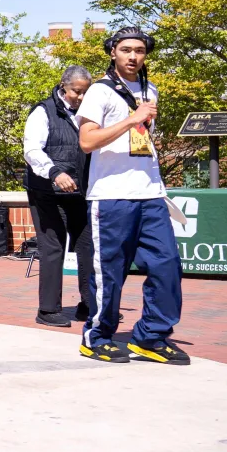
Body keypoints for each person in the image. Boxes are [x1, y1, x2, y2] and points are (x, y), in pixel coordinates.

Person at [75, 26, 188, 365]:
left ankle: (151, 337)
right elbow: (87, 141)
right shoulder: (100, 91)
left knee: (167, 265)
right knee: (110, 272)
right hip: (112, 196)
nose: (133, 56)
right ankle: (97, 337)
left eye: (139, 50)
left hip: (150, 194)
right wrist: (132, 119)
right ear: (113, 52)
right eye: (126, 49)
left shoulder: (149, 88)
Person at [24, 65, 93, 328]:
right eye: (77, 91)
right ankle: (48, 309)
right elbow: (31, 149)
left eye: (85, 92)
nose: (81, 97)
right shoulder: (43, 111)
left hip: (80, 192)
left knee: (88, 246)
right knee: (53, 247)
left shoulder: (90, 113)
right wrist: (54, 172)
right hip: (47, 191)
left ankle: (89, 305)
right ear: (64, 85)